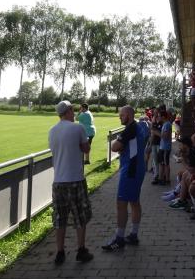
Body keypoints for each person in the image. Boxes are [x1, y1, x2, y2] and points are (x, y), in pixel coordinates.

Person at [48, 100, 93, 265]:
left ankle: (60, 252)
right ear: (67, 111)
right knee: (80, 216)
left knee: (60, 218)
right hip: (75, 179)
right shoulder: (78, 127)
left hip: (58, 181)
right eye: (72, 110)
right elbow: (86, 149)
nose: (75, 113)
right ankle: (81, 250)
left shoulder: (52, 131)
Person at [102, 106, 147, 251]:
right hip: (138, 168)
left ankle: (119, 239)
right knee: (134, 202)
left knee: (121, 204)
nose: (119, 117)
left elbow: (114, 147)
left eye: (121, 115)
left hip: (130, 170)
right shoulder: (140, 126)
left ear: (128, 115)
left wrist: (121, 146)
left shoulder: (129, 129)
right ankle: (133, 235)